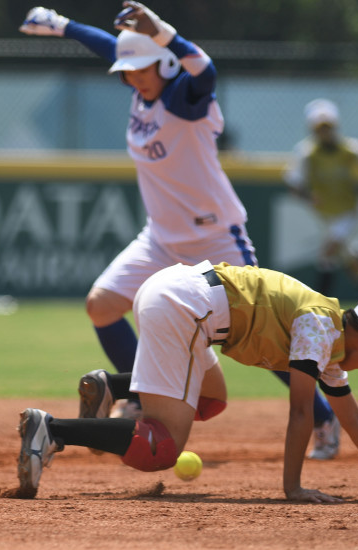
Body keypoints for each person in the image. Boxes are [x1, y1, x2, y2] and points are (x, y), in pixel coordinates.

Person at [19, 1, 341, 459]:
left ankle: (325, 421)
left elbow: (205, 69)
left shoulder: (184, 97)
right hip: (160, 238)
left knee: (262, 340)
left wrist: (164, 31)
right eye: (126, 70)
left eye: (142, 68)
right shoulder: (142, 87)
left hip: (215, 240)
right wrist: (62, 25)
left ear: (165, 61)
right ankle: (140, 396)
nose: (132, 75)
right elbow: (112, 46)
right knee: (102, 306)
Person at [16, 260, 358, 501]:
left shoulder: (329, 339)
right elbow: (300, 413)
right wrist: (292, 488)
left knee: (212, 398)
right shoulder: (318, 328)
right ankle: (51, 430)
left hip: (181, 298)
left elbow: (354, 419)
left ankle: (113, 387)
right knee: (163, 448)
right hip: (185, 309)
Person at [283, 98, 358, 308]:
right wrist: (308, 196)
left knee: (327, 253)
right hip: (324, 217)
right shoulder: (306, 153)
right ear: (312, 129)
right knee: (355, 266)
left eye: (328, 126)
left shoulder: (351, 150)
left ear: (335, 126)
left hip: (349, 214)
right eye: (319, 128)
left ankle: (318, 306)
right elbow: (294, 184)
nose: (324, 132)